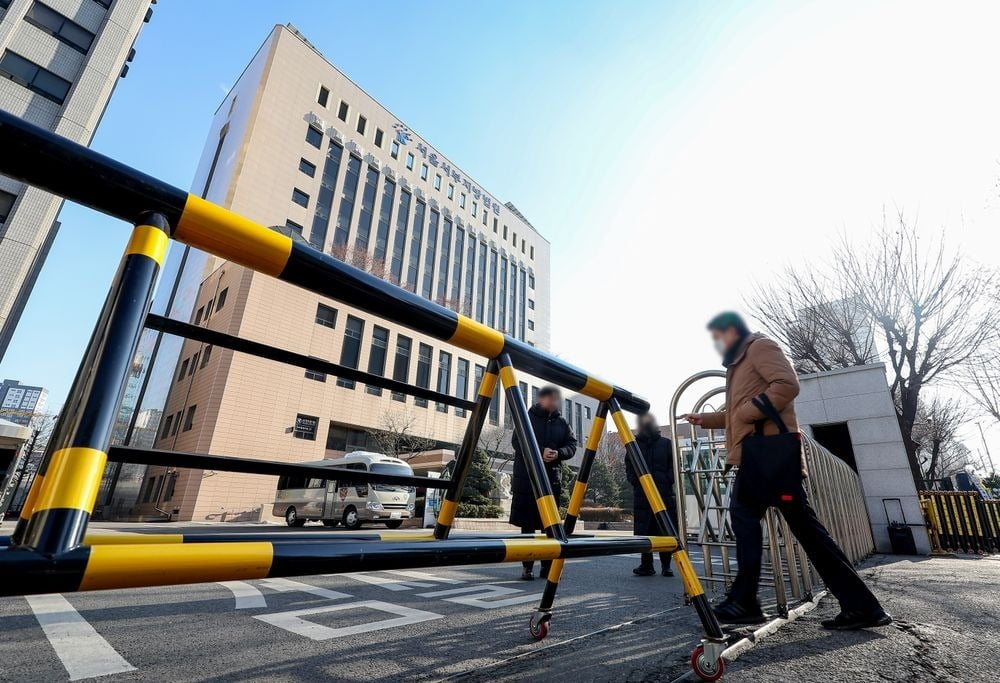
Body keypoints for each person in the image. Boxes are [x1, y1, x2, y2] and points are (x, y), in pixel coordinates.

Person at [682, 312, 892, 630]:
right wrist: (708, 420)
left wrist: (746, 411)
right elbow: (736, 412)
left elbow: (787, 385)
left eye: (720, 335)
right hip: (761, 458)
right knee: (798, 530)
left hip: (768, 456)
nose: (718, 342)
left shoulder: (759, 347)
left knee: (754, 520)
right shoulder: (740, 362)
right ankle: (860, 606)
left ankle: (746, 602)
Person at [509, 385, 578, 580]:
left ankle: (546, 567)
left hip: (551, 480)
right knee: (528, 527)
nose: (552, 402)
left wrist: (558, 453)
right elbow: (517, 442)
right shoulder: (526, 417)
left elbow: (572, 445)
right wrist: (539, 451)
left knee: (550, 527)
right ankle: (527, 567)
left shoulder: (562, 423)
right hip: (527, 478)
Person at [626, 413, 677, 577]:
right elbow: (629, 466)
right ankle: (646, 565)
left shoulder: (666, 443)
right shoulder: (633, 445)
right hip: (643, 494)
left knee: (665, 529)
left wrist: (668, 480)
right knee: (644, 531)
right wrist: (636, 481)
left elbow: (674, 466)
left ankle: (666, 566)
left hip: (664, 493)